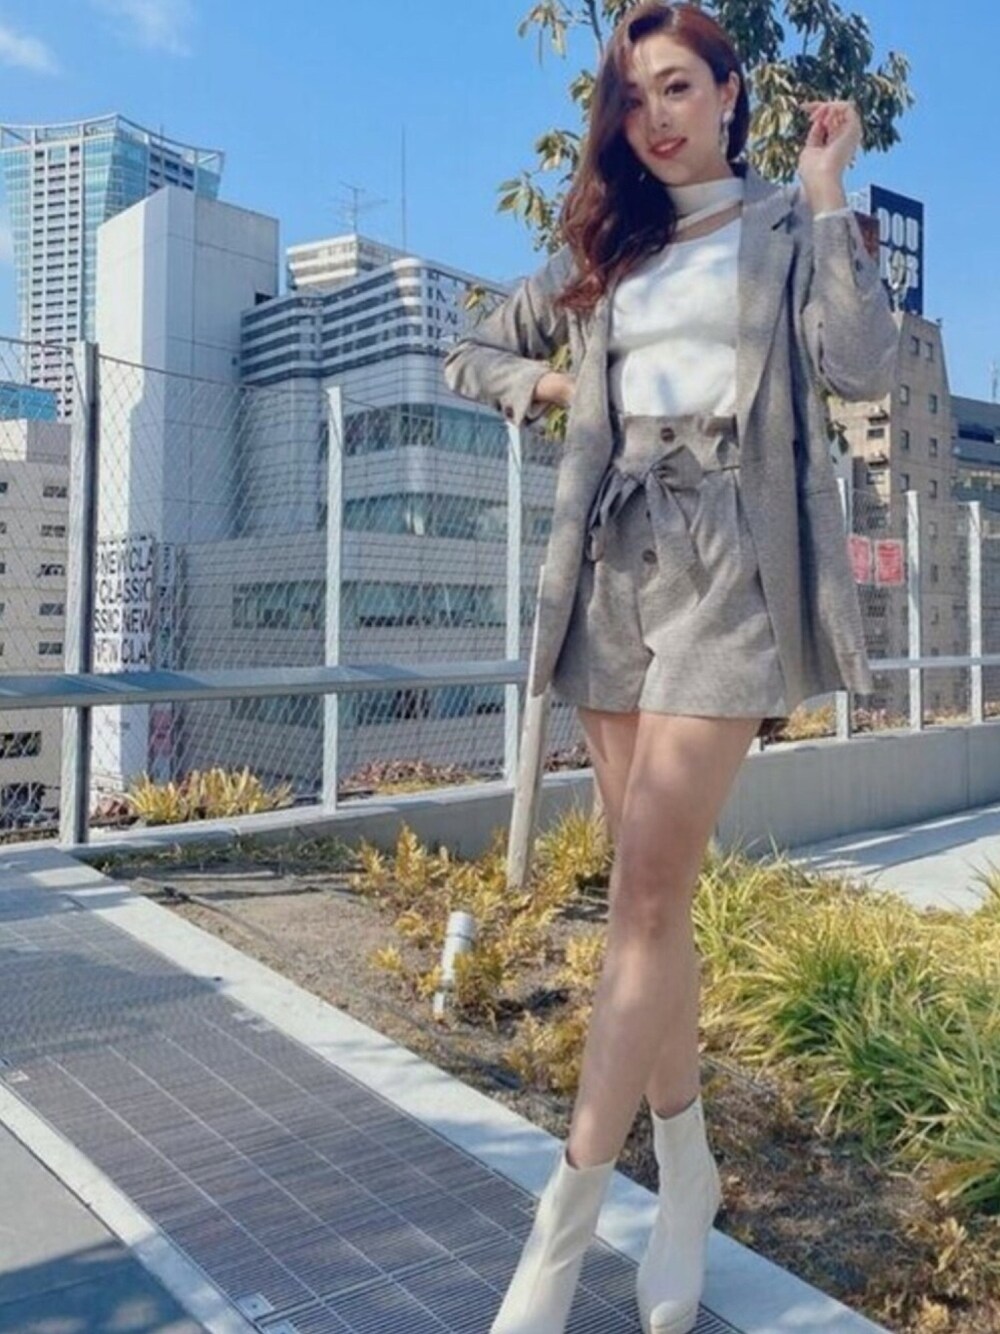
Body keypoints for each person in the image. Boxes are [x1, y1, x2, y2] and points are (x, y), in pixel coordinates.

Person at [442, 4, 899, 1332]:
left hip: (733, 569)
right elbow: (475, 344)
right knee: (658, 903)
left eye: (679, 87)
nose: (655, 115)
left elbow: (859, 362)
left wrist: (828, 192)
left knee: (642, 893)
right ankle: (688, 1172)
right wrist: (548, 389)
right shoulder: (610, 246)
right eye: (634, 96)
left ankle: (564, 1225)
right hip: (614, 566)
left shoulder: (786, 223)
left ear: (731, 92)